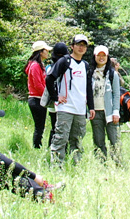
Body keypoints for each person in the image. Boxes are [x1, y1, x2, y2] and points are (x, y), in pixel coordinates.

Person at [46, 34, 95, 166]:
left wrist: (91, 107)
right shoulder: (65, 61)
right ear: (72, 46)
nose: (81, 47)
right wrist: (56, 97)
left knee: (77, 139)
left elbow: (88, 87)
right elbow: (49, 78)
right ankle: (56, 165)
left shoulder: (85, 65)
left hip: (80, 109)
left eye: (84, 45)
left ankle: (76, 164)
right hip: (65, 107)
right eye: (78, 44)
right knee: (61, 137)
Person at [90, 45, 121, 164]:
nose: (101, 58)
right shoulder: (90, 72)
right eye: (99, 55)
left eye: (104, 55)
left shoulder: (112, 74)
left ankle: (118, 163)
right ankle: (101, 164)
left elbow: (116, 94)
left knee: (114, 140)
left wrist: (116, 111)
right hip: (95, 112)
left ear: (107, 57)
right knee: (98, 140)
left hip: (110, 112)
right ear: (95, 56)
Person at [25, 41, 53, 149]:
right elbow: (38, 84)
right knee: (39, 126)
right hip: (37, 99)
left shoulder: (38, 65)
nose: (47, 53)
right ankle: (36, 147)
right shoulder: (35, 66)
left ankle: (37, 146)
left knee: (40, 126)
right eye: (46, 50)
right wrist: (47, 97)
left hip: (38, 99)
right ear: (40, 52)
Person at [46, 42, 68, 148]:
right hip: (61, 102)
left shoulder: (50, 67)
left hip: (53, 103)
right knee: (61, 129)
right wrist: (56, 97)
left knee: (54, 127)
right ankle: (59, 148)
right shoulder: (64, 66)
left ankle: (50, 147)